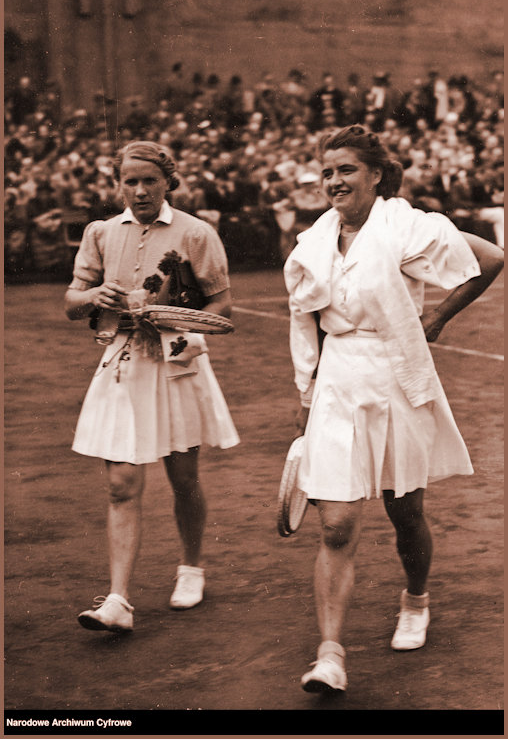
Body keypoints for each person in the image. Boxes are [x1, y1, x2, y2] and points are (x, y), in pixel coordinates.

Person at [283, 124, 504, 693]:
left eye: (346, 170)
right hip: (335, 380)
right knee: (336, 523)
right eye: (327, 172)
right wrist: (305, 395)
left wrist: (436, 319)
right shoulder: (311, 242)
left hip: (395, 378)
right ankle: (330, 654)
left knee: (404, 511)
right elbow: (303, 324)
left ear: (375, 174)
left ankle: (416, 599)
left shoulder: (406, 225)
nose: (334, 181)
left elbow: (490, 257)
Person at [64, 141, 239, 632]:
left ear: (168, 183)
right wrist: (94, 294)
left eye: (149, 181)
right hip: (122, 362)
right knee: (122, 483)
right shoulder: (100, 232)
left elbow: (222, 306)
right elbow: (72, 301)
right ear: (118, 185)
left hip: (176, 363)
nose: (139, 190)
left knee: (183, 477)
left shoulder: (196, 233)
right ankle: (118, 600)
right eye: (130, 181)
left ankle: (191, 566)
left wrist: (176, 324)